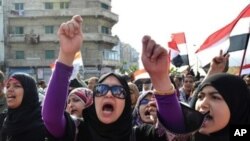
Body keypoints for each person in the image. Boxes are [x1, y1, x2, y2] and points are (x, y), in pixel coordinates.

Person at [42, 15, 186, 141]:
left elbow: (174, 130)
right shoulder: (77, 132)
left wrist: (160, 78)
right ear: (93, 100)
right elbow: (51, 120)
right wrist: (66, 56)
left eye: (118, 91)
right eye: (101, 89)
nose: (109, 94)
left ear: (127, 102)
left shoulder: (140, 136)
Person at [0, 72, 46, 141]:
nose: (9, 89)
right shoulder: (4, 120)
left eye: (17, 86)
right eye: (8, 86)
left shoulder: (43, 124)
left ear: (29, 92)